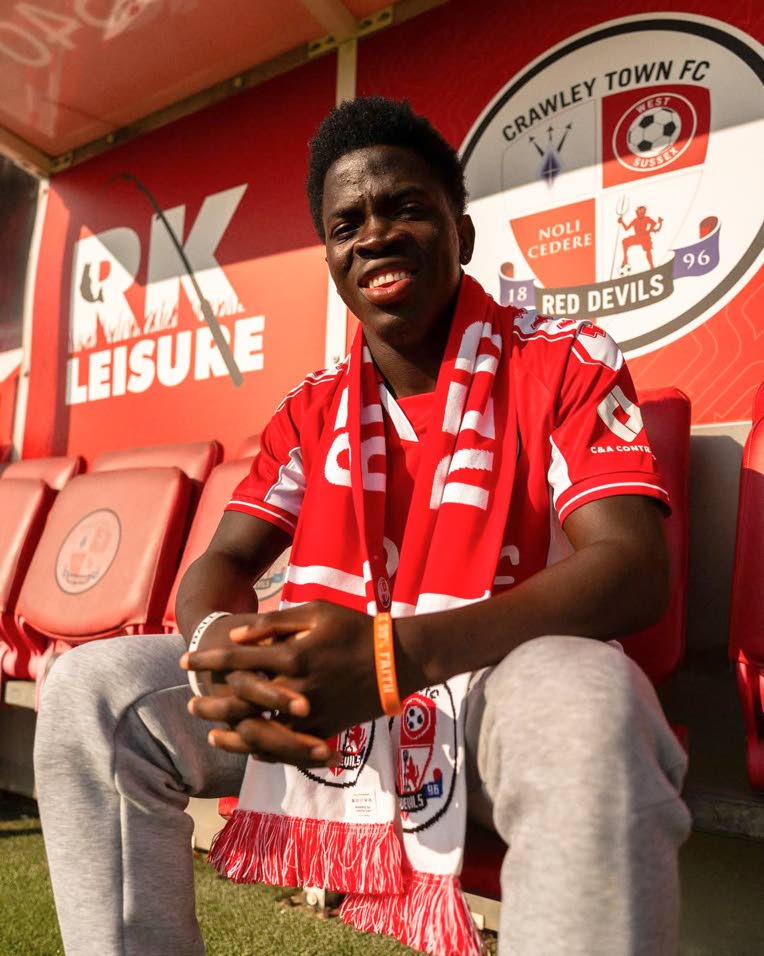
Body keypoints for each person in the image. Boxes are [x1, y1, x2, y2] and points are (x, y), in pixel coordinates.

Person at [34, 97, 690, 956]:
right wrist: (224, 644)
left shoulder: (562, 358)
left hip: (494, 686)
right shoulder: (311, 408)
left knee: (590, 701)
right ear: (332, 260)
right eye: (347, 225)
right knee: (91, 690)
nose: (374, 235)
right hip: (331, 699)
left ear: (462, 232)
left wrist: (391, 659)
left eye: (405, 208)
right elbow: (223, 559)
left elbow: (634, 568)